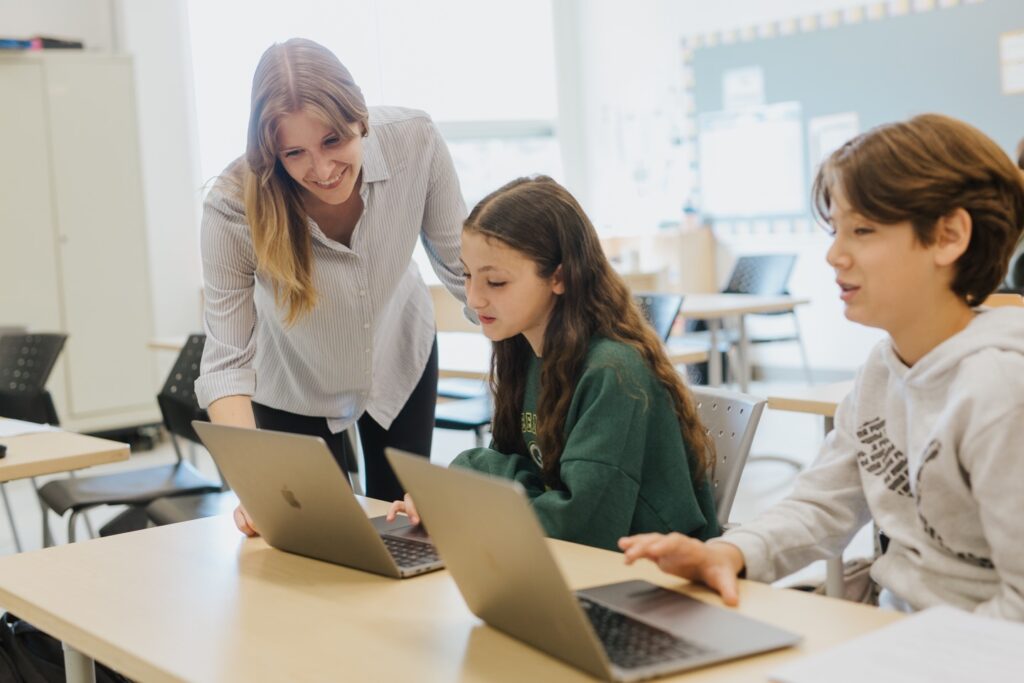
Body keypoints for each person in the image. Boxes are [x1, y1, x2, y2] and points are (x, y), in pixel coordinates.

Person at [620, 114, 1024, 620]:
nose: (834, 254)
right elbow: (821, 505)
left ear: (948, 236)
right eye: (835, 230)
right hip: (896, 627)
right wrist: (728, 553)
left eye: (862, 229)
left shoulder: (1001, 390)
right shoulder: (883, 367)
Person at [194, 38, 469, 536]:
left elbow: (465, 273)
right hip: (293, 383)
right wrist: (255, 483)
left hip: (397, 357)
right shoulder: (233, 205)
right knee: (316, 537)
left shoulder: (415, 141)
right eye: (293, 153)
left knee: (405, 528)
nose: (320, 170)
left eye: (333, 142)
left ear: (359, 117)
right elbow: (226, 364)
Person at [389, 176, 720, 552]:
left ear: (559, 277)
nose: (475, 299)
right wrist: (453, 496)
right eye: (466, 275)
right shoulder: (522, 349)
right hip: (568, 560)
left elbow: (580, 524)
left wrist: (468, 481)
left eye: (495, 282)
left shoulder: (613, 372)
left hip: (650, 578)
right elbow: (515, 467)